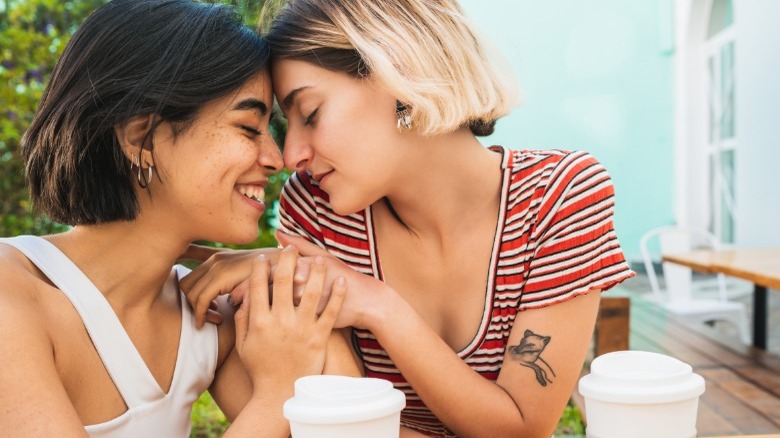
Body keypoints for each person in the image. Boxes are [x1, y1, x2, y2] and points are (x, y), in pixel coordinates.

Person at [184, 0, 636, 436]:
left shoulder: (558, 196)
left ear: (402, 73)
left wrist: (378, 306)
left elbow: (521, 429)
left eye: (311, 114)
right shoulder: (320, 211)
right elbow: (332, 419)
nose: (291, 155)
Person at [0, 0, 354, 436]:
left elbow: (351, 426)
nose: (275, 159)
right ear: (141, 139)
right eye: (248, 128)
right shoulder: (10, 296)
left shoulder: (208, 316)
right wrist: (277, 393)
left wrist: (300, 278)